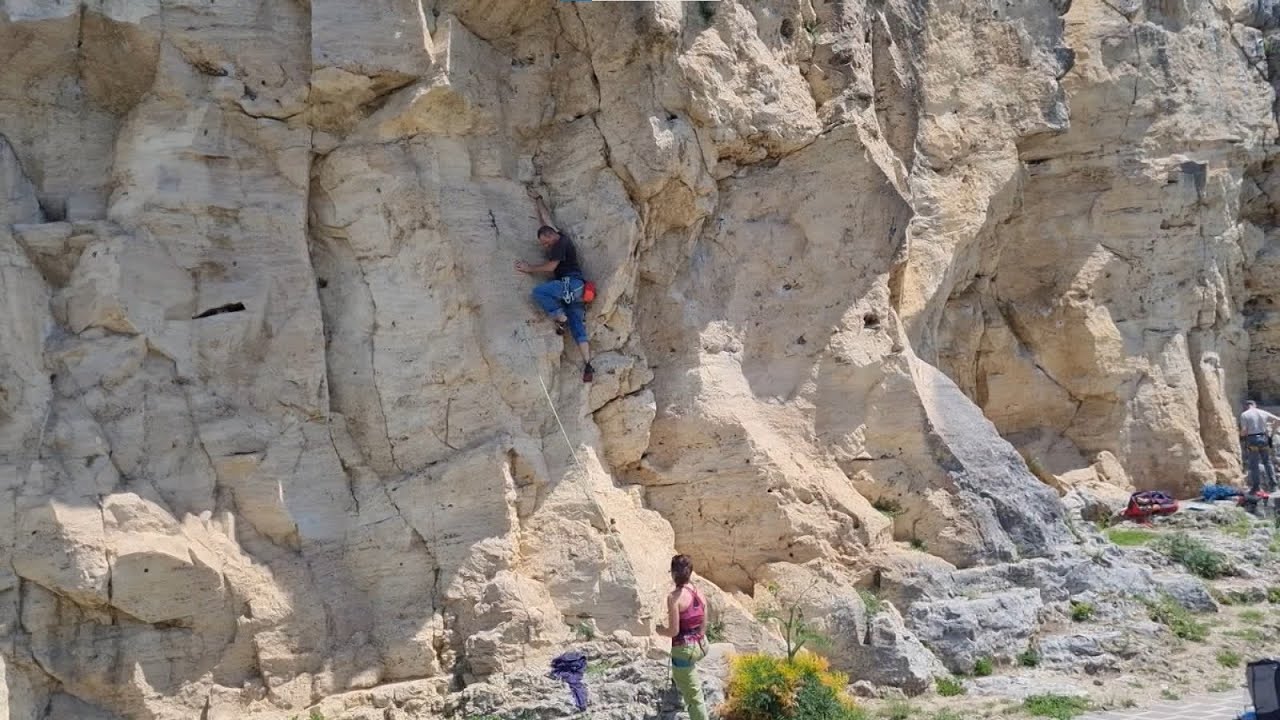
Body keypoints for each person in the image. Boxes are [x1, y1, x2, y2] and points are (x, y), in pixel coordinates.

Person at [516, 188, 593, 383]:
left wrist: (529, 268)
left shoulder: (560, 243)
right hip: (576, 291)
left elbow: (551, 266)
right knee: (578, 327)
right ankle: (588, 365)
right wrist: (538, 200)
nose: (545, 247)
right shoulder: (556, 236)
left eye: (545, 243)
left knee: (539, 292)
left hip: (571, 284)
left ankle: (560, 316)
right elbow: (546, 222)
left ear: (551, 237)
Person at [656, 554, 708, 720]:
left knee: (694, 697)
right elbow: (703, 624)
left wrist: (659, 630)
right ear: (690, 573)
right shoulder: (699, 592)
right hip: (701, 645)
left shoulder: (674, 598)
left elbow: (674, 631)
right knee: (682, 674)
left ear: (673, 573)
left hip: (685, 650)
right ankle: (679, 679)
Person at [1239, 400, 1280, 494]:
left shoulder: (1245, 415)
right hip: (1263, 437)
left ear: (1246, 406)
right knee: (1267, 462)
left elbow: (1244, 430)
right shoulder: (1262, 412)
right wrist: (1272, 433)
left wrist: (1241, 436)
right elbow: (1278, 420)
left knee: (1254, 464)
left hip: (1252, 439)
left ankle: (1256, 487)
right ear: (1255, 405)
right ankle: (1273, 485)